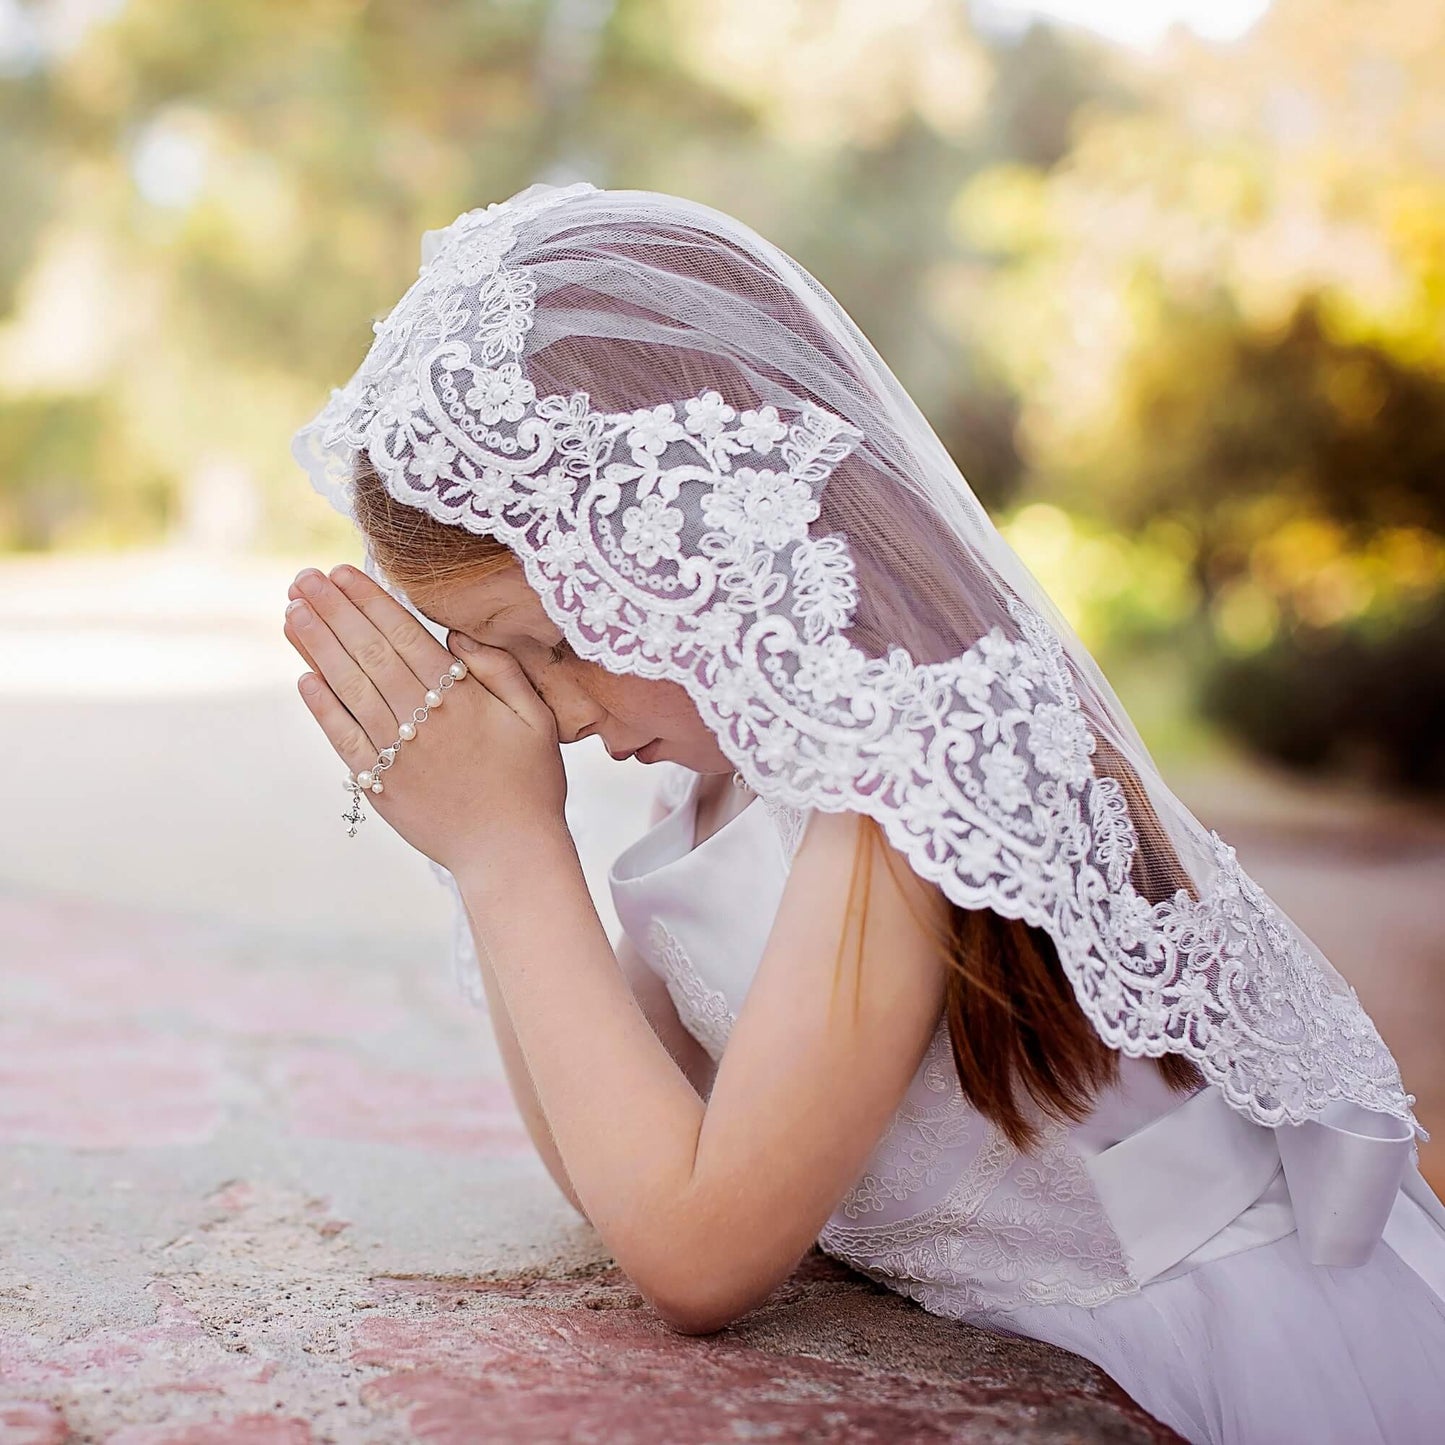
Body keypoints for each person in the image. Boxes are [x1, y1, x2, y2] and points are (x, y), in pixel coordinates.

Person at [284, 181, 1445, 1443]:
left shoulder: (901, 782)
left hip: (1218, 1345)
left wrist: (507, 852)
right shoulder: (717, 788)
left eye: (557, 639)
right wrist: (486, 836)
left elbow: (694, 1253)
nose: (549, 711)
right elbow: (605, 1169)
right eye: (503, 668)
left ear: (708, 536)